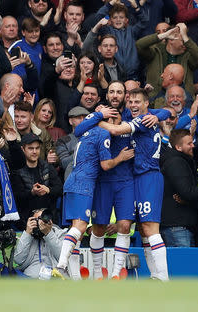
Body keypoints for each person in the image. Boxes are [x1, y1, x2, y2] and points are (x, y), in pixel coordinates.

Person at [96, 88, 169, 280]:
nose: (133, 105)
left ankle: (164, 278)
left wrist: (95, 119)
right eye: (131, 102)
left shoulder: (143, 120)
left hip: (149, 177)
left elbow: (114, 129)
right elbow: (168, 111)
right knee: (144, 230)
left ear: (147, 105)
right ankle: (156, 276)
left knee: (151, 228)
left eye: (138, 102)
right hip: (137, 178)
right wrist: (162, 114)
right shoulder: (145, 116)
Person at [51, 107, 132, 280]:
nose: (119, 126)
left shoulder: (86, 131)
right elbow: (105, 165)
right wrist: (120, 158)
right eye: (117, 121)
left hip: (71, 182)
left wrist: (98, 115)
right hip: (84, 184)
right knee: (79, 227)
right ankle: (61, 265)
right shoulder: (103, 135)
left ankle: (73, 277)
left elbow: (79, 128)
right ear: (109, 120)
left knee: (76, 231)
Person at [136, 23, 198, 97]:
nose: (186, 43)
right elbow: (139, 45)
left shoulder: (188, 56)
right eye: (183, 40)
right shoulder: (155, 52)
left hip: (183, 101)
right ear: (171, 40)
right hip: (155, 101)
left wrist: (185, 36)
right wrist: (165, 35)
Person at [11, 133, 63, 229]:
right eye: (31, 148)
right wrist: (32, 192)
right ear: (23, 149)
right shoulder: (17, 171)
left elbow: (60, 189)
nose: (34, 151)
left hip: (48, 220)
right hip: (25, 222)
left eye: (37, 148)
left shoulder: (47, 167)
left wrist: (48, 190)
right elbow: (16, 196)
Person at [13, 208, 67, 279]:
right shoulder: (29, 235)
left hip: (54, 280)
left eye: (43, 219)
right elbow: (18, 260)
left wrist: (48, 234)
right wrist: (27, 233)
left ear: (50, 221)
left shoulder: (61, 234)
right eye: (37, 220)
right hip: (29, 280)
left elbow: (63, 258)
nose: (41, 223)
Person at [56, 106, 90, 180]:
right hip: (73, 181)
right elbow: (64, 163)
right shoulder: (63, 140)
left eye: (85, 118)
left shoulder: (95, 137)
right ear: (70, 121)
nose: (82, 120)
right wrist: (82, 150)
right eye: (78, 118)